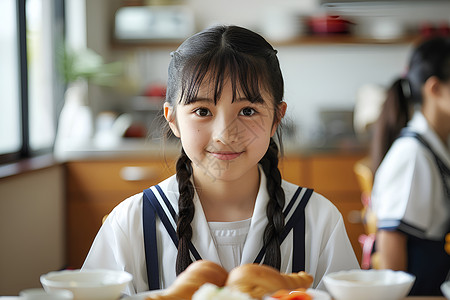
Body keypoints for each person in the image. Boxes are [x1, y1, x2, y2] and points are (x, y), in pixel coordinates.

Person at [82, 25, 359, 294]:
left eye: (248, 111)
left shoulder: (318, 219)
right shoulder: (131, 222)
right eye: (203, 111)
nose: (225, 135)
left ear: (276, 117)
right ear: (173, 119)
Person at [370, 36, 450, 295]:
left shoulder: (436, 143)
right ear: (435, 89)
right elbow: (391, 240)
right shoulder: (412, 155)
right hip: (420, 292)